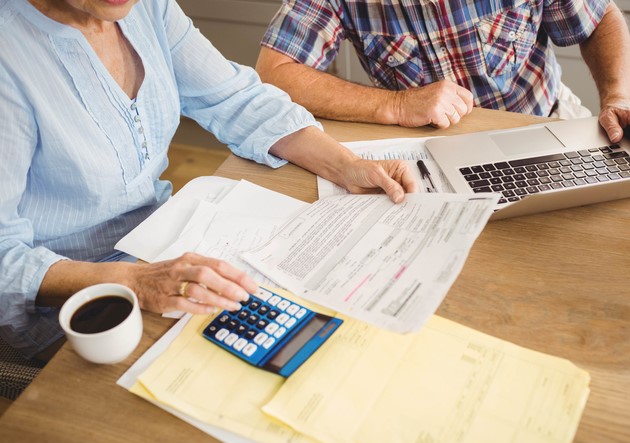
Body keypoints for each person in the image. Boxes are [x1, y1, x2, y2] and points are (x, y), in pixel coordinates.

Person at [0, 0, 416, 360]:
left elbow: (235, 99)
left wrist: (346, 165)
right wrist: (137, 282)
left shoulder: (148, 9)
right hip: (81, 302)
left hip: (165, 250)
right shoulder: (9, 54)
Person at [256, 0, 630, 167]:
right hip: (427, 151)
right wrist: (397, 105)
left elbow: (599, 18)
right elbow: (274, 69)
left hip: (547, 126)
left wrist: (619, 96)